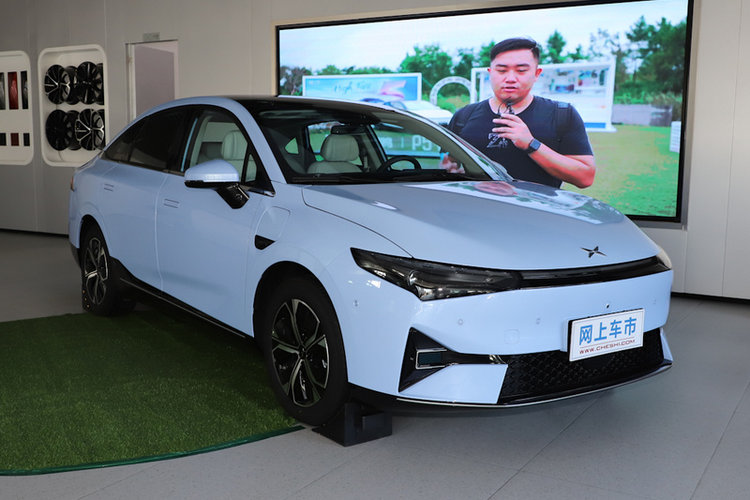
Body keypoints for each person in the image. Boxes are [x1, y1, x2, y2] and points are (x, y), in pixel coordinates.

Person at [447, 37, 595, 189]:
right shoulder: (464, 116)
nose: (510, 78)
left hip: (537, 204)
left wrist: (531, 144)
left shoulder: (562, 114)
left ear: (537, 73)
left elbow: (585, 177)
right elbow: (447, 164)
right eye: (502, 70)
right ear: (490, 73)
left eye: (521, 70)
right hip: (476, 204)